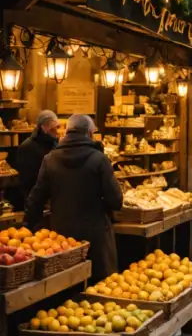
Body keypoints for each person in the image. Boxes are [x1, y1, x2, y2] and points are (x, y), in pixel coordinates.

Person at [25, 114, 123, 281]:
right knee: (99, 289)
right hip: (95, 235)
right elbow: (116, 200)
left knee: (66, 289)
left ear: (67, 132)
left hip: (61, 238)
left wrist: (29, 227)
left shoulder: (50, 159)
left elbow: (36, 199)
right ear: (90, 133)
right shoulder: (99, 159)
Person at [15, 110, 59, 204]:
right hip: (35, 199)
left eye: (57, 128)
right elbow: (27, 179)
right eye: (53, 129)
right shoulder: (27, 147)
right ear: (43, 128)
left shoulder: (55, 144)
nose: (56, 132)